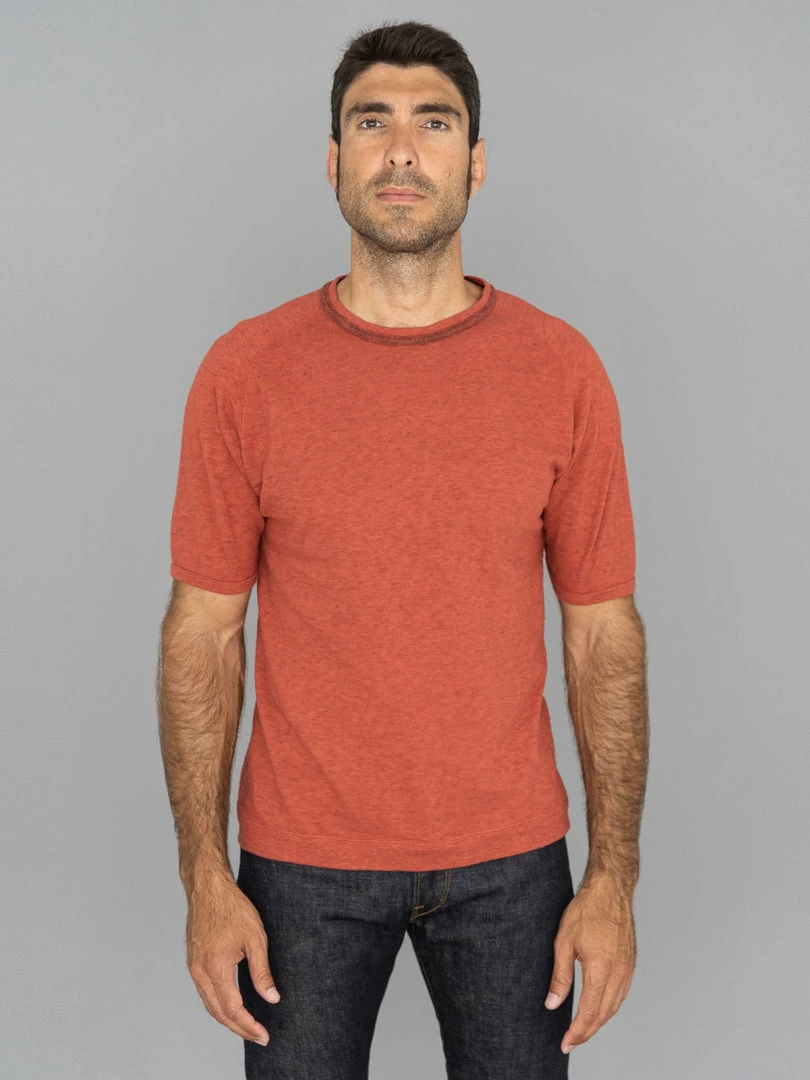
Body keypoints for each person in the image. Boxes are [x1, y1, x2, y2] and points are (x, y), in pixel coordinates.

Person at [157, 19, 649, 1079]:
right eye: (372, 121)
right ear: (335, 159)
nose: (400, 151)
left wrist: (613, 879)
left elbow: (602, 633)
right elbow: (203, 633)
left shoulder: (561, 369)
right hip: (299, 867)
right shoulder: (246, 372)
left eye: (434, 123)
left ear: (476, 160)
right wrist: (203, 875)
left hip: (513, 863)